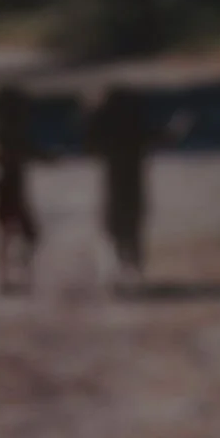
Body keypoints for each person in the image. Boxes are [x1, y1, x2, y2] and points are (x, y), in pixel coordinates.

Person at [85, 86, 150, 290]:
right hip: (127, 184)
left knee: (121, 226)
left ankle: (124, 271)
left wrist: (88, 110)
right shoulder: (131, 133)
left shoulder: (113, 135)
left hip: (120, 184)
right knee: (128, 226)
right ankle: (128, 270)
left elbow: (90, 142)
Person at [0, 84, 40, 294]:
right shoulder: (4, 137)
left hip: (10, 188)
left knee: (9, 234)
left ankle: (7, 276)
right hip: (7, 188)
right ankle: (6, 276)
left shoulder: (5, 136)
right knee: (13, 234)